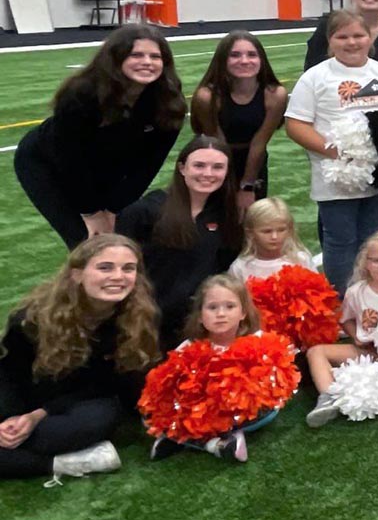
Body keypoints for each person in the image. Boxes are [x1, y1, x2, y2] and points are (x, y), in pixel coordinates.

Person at [0, 235, 159, 482]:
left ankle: (33, 457)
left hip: (82, 402)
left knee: (95, 421)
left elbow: (109, 385)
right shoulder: (31, 319)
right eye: (105, 267)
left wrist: (39, 415)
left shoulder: (139, 317)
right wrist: (12, 419)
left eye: (128, 268)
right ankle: (66, 462)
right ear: (77, 274)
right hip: (30, 395)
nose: (118, 276)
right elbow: (9, 375)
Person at [16, 25, 186, 248]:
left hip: (107, 165)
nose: (147, 62)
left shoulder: (169, 103)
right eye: (136, 55)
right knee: (87, 242)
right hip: (49, 164)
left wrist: (113, 208)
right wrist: (91, 212)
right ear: (116, 58)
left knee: (118, 236)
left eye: (155, 56)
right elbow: (71, 160)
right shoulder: (81, 94)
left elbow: (147, 166)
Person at [285, 10, 378, 293]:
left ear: (370, 38)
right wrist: (337, 152)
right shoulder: (315, 77)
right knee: (340, 240)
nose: (351, 42)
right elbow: (295, 124)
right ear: (329, 41)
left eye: (358, 35)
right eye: (342, 36)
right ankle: (343, 300)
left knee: (374, 240)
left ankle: (372, 296)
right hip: (335, 178)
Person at [115, 136, 241, 347]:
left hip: (197, 326)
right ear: (182, 168)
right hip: (147, 323)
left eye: (218, 167)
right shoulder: (146, 211)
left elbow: (224, 267)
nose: (208, 173)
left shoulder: (226, 214)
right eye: (199, 165)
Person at [147, 275, 281, 463]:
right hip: (205, 413)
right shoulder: (189, 348)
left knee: (264, 411)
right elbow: (172, 384)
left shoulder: (258, 341)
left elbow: (272, 383)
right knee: (158, 414)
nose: (221, 314)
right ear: (200, 316)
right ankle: (219, 444)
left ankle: (183, 439)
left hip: (245, 412)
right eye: (212, 308)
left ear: (243, 313)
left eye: (230, 306)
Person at [304, 230, 378, 427]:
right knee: (316, 351)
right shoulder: (356, 291)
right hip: (368, 352)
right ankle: (328, 397)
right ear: (366, 263)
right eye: (377, 261)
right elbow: (345, 319)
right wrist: (356, 337)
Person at [190, 31, 287, 208]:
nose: (244, 61)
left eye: (252, 55)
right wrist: (228, 186)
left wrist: (247, 186)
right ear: (222, 60)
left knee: (250, 215)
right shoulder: (207, 97)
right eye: (234, 55)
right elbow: (217, 142)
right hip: (212, 158)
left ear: (261, 60)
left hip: (253, 159)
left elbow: (259, 142)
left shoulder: (275, 95)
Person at [228, 198, 314, 281]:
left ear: (289, 229)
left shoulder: (300, 259)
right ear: (250, 233)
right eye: (267, 231)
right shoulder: (240, 267)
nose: (274, 237)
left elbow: (316, 286)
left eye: (281, 230)